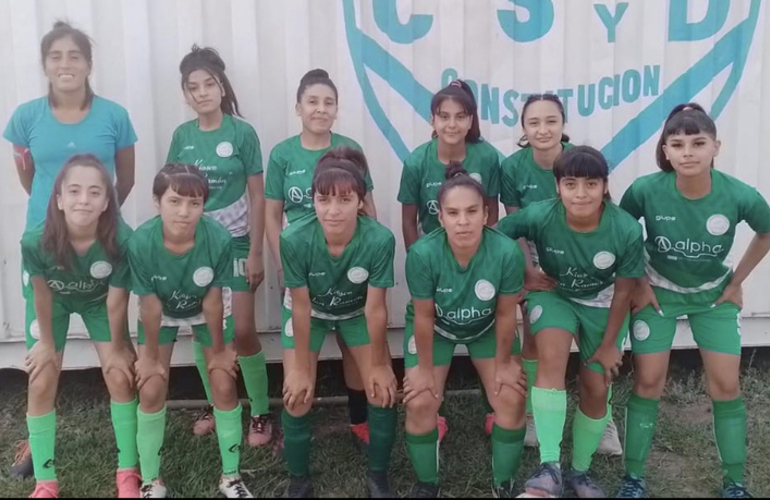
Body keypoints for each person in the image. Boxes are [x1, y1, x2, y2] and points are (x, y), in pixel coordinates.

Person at [4, 21, 137, 481]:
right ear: (45, 64)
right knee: (45, 358)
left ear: (88, 64)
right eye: (56, 56)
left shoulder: (114, 116)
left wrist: (94, 217)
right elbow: (27, 177)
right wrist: (55, 214)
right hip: (48, 248)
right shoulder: (25, 117)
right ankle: (38, 444)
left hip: (97, 249)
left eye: (74, 55)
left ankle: (131, 461)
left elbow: (126, 179)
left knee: (119, 358)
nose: (66, 64)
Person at [615, 104, 770, 499]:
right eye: (678, 143)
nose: (688, 152)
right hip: (658, 295)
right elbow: (620, 232)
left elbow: (766, 232)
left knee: (726, 385)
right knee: (648, 381)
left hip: (713, 299)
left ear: (715, 146)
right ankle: (633, 480)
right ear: (665, 150)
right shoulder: (646, 189)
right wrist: (637, 284)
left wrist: (736, 282)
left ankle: (734, 484)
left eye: (698, 143)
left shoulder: (738, 194)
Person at [497, 146, 644, 498]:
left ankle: (579, 472)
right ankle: (549, 467)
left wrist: (610, 345)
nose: (581, 194)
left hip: (604, 303)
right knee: (551, 355)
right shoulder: (541, 214)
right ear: (558, 186)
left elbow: (624, 293)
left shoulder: (624, 228)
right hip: (555, 295)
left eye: (591, 184)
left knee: (596, 386)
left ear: (605, 186)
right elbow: (496, 235)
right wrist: (525, 274)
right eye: (571, 184)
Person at [500, 94, 622, 454]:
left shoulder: (580, 160)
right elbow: (514, 224)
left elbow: (602, 215)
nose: (543, 130)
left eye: (551, 121)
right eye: (534, 123)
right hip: (538, 259)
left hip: (583, 257)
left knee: (595, 347)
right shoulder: (512, 167)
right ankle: (536, 416)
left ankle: (604, 418)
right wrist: (528, 272)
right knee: (536, 337)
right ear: (523, 128)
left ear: (563, 125)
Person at [265, 69, 377, 445]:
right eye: (312, 101)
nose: (320, 109)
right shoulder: (283, 153)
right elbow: (271, 213)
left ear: (337, 109)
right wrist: (282, 263)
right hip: (303, 264)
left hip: (346, 264)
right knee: (299, 355)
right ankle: (295, 424)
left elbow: (368, 209)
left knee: (353, 346)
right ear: (298, 107)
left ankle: (359, 420)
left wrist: (370, 250)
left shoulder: (350, 149)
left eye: (328, 102)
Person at [166, 45, 271, 446]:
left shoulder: (242, 132)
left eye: (209, 84)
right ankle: (215, 400)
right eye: (193, 87)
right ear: (186, 94)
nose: (202, 93)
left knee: (242, 330)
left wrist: (258, 251)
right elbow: (174, 196)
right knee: (203, 330)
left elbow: (259, 197)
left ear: (222, 86)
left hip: (239, 246)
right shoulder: (182, 136)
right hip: (197, 249)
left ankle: (260, 412)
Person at [403, 163, 527, 499]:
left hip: (487, 327)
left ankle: (503, 482)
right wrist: (424, 370)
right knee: (419, 401)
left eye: (472, 211)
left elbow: (505, 313)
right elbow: (425, 317)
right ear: (440, 217)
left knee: (512, 398)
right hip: (437, 330)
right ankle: (427, 483)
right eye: (453, 213)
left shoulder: (505, 252)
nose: (463, 221)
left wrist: (504, 363)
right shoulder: (422, 253)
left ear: (486, 213)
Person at [279, 148, 397, 498]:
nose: (333, 210)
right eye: (323, 199)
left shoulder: (379, 239)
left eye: (345, 199)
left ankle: (378, 475)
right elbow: (300, 306)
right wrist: (300, 367)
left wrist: (379, 364)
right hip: (309, 314)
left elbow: (376, 309)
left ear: (360, 201)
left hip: (355, 312)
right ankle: (298, 479)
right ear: (312, 201)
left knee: (382, 391)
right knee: (297, 395)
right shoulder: (294, 238)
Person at [129, 164, 252, 499]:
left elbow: (213, 301)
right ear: (157, 202)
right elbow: (150, 306)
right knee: (152, 389)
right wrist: (151, 357)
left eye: (194, 203)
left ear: (203, 206)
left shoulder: (219, 238)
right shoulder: (141, 242)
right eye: (175, 201)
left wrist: (221, 352)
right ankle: (151, 481)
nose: (184, 212)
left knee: (224, 383)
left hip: (203, 309)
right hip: (161, 314)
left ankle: (231, 477)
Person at [20, 155, 137, 499]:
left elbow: (116, 300)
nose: (83, 199)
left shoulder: (122, 240)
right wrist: (45, 344)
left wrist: (116, 347)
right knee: (41, 377)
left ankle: (128, 472)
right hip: (52, 302)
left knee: (119, 373)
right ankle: (46, 482)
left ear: (106, 203)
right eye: (73, 191)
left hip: (98, 301)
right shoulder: (35, 240)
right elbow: (40, 292)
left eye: (94, 192)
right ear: (58, 199)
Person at [398, 79, 502, 437]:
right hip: (435, 265)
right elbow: (409, 221)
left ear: (471, 120)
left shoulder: (487, 157)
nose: (452, 124)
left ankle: (497, 409)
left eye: (461, 116)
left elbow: (492, 213)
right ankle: (431, 414)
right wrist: (421, 263)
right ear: (433, 119)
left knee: (488, 329)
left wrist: (483, 260)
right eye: (444, 116)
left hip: (475, 259)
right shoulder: (416, 161)